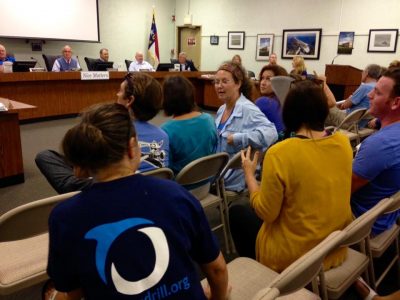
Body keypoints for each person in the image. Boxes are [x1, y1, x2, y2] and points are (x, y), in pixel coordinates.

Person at [45, 103, 229, 300]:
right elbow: (217, 270)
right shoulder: (176, 195)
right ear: (133, 148)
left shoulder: (65, 217)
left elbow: (73, 292)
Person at [230, 80, 353, 272]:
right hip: (335, 245)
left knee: (237, 211)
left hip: (297, 260)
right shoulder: (343, 143)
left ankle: (263, 276)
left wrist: (249, 175)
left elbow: (266, 213)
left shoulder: (280, 153)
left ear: (289, 112)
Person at [35, 73, 169, 194]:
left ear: (129, 100)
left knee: (45, 156)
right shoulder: (163, 135)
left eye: (120, 91)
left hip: (109, 190)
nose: (116, 94)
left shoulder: (107, 130)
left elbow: (81, 173)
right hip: (150, 190)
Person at [214, 62, 278, 192]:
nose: (219, 86)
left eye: (224, 81)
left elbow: (272, 133)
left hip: (231, 178)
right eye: (216, 82)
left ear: (238, 84)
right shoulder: (222, 109)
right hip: (220, 172)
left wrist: (240, 138)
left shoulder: (247, 108)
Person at [351, 67, 400, 235]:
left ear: (396, 103)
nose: (369, 95)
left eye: (377, 93)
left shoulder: (380, 144)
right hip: (387, 216)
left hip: (362, 222)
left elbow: (342, 190)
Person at [161, 75, 217, 174]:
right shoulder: (209, 119)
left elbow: (165, 168)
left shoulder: (166, 131)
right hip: (206, 180)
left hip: (179, 186)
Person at [255, 64, 289, 135]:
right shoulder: (288, 102)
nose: (262, 83)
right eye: (262, 78)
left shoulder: (263, 102)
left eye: (268, 79)